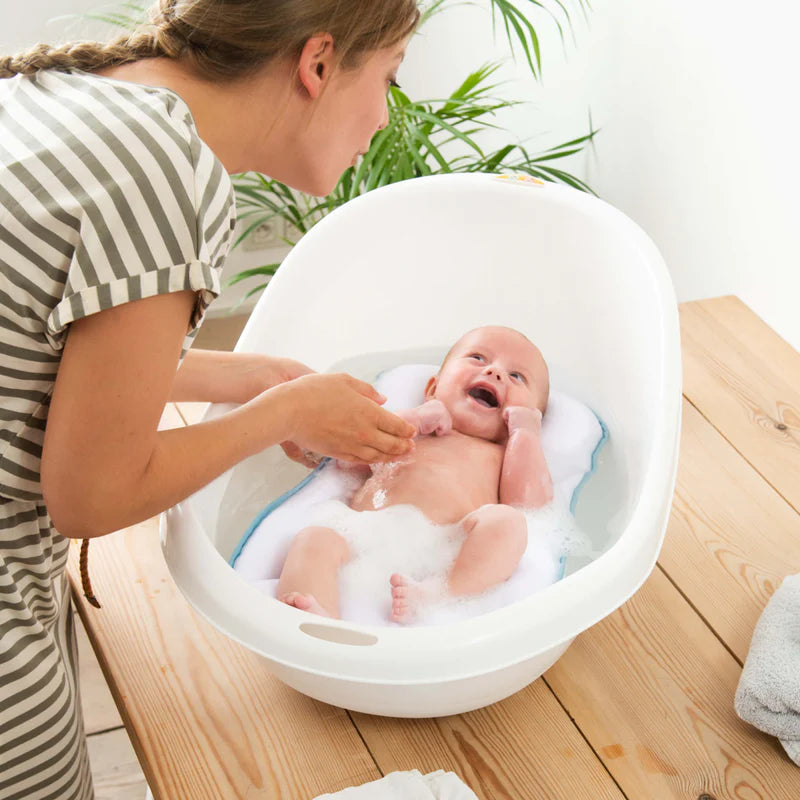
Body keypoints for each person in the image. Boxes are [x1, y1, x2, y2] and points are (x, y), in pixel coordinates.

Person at [0, 1, 420, 798]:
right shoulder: (168, 174)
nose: (384, 114)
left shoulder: (80, 93)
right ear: (319, 63)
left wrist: (242, 376)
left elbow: (28, 347)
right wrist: (284, 415)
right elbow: (90, 495)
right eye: (389, 77)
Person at [276, 325, 555, 623]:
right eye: (477, 358)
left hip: (451, 543)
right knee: (313, 540)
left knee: (508, 523)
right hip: (364, 532)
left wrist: (525, 434)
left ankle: (441, 592)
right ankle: (317, 619)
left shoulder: (502, 453)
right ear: (433, 389)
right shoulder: (413, 429)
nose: (495, 373)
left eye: (517, 377)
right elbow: (350, 460)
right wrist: (415, 421)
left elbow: (528, 504)